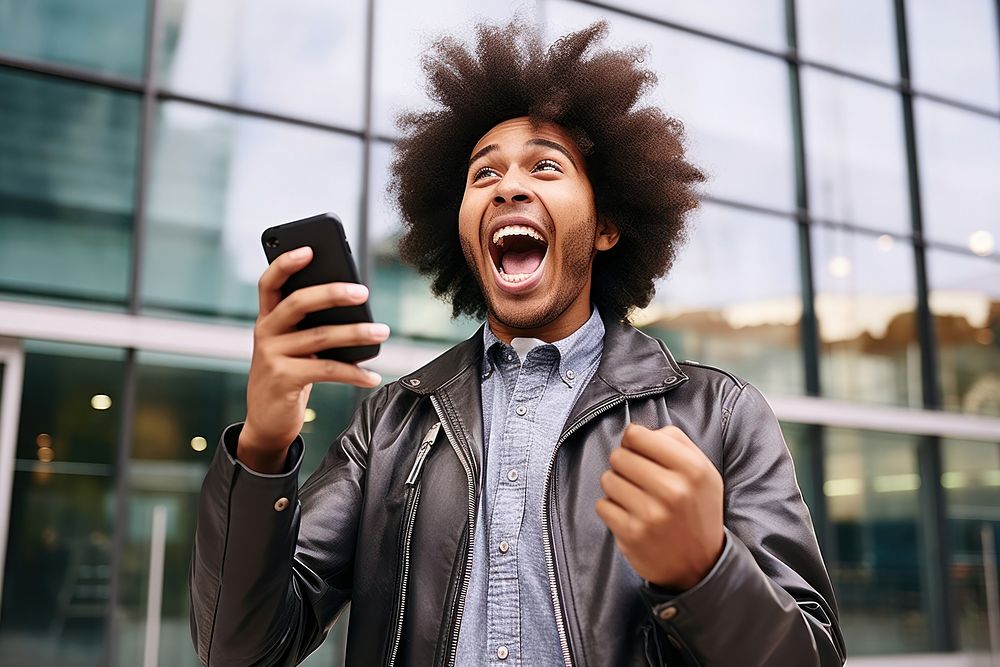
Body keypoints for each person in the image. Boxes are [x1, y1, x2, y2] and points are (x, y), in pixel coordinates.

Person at [189, 20, 847, 667]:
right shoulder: (389, 423)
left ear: (607, 225)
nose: (508, 185)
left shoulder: (719, 414)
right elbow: (238, 650)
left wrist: (706, 572)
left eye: (545, 166)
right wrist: (264, 447)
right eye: (483, 175)